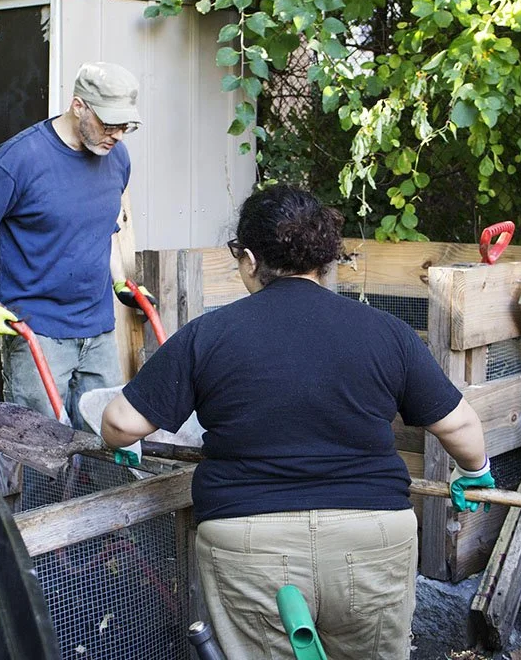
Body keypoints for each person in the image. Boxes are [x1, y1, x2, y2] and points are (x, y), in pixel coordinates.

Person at [101, 185, 496, 659]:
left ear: (248, 258)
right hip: (370, 539)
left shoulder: (208, 334)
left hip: (247, 543)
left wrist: (124, 443)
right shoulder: (387, 331)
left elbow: (121, 423)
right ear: (325, 260)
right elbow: (460, 428)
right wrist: (474, 472)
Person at [0, 62, 154, 429]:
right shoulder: (20, 160)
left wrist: (120, 282)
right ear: (79, 106)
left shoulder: (116, 157)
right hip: (37, 332)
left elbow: (108, 227)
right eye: (109, 124)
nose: (117, 135)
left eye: (125, 126)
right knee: (45, 453)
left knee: (109, 440)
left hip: (98, 331)